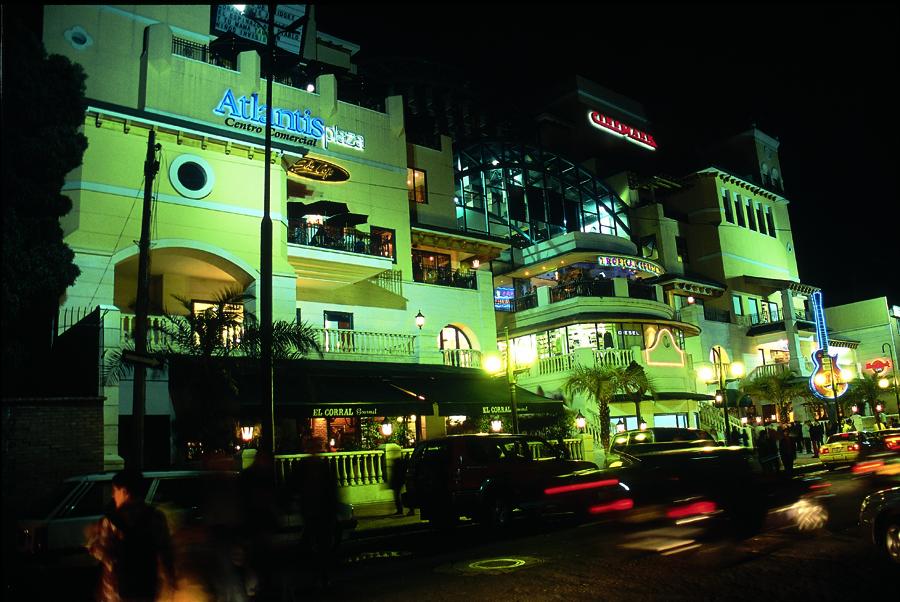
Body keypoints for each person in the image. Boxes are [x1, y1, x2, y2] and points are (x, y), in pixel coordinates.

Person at [86, 470, 175, 602]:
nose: (113, 495)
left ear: (124, 491)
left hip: (118, 590)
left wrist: (92, 544)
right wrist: (170, 580)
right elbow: (165, 552)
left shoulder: (111, 521)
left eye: (114, 490)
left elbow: (106, 555)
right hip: (146, 588)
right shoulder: (156, 517)